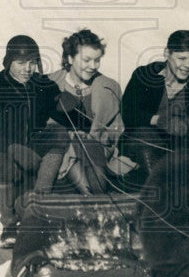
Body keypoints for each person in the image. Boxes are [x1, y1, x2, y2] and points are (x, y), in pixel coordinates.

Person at [0, 35, 59, 243]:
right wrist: (10, 147)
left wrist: (74, 108)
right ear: (9, 62)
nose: (27, 68)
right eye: (21, 62)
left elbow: (65, 116)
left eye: (33, 62)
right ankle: (9, 225)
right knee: (3, 165)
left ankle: (39, 205)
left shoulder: (43, 87)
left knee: (59, 136)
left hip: (29, 153)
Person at [119, 29, 189, 178]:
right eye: (182, 58)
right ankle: (156, 182)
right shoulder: (144, 75)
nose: (188, 65)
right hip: (147, 139)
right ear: (167, 53)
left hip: (182, 145)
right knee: (144, 139)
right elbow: (128, 112)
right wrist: (159, 120)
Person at [34, 29, 123, 195]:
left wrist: (103, 135)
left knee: (89, 147)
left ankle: (96, 199)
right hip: (61, 152)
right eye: (86, 60)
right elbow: (40, 125)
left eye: (97, 60)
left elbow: (117, 129)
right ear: (69, 58)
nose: (93, 66)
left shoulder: (109, 87)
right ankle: (94, 199)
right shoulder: (50, 84)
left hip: (98, 152)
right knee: (73, 146)